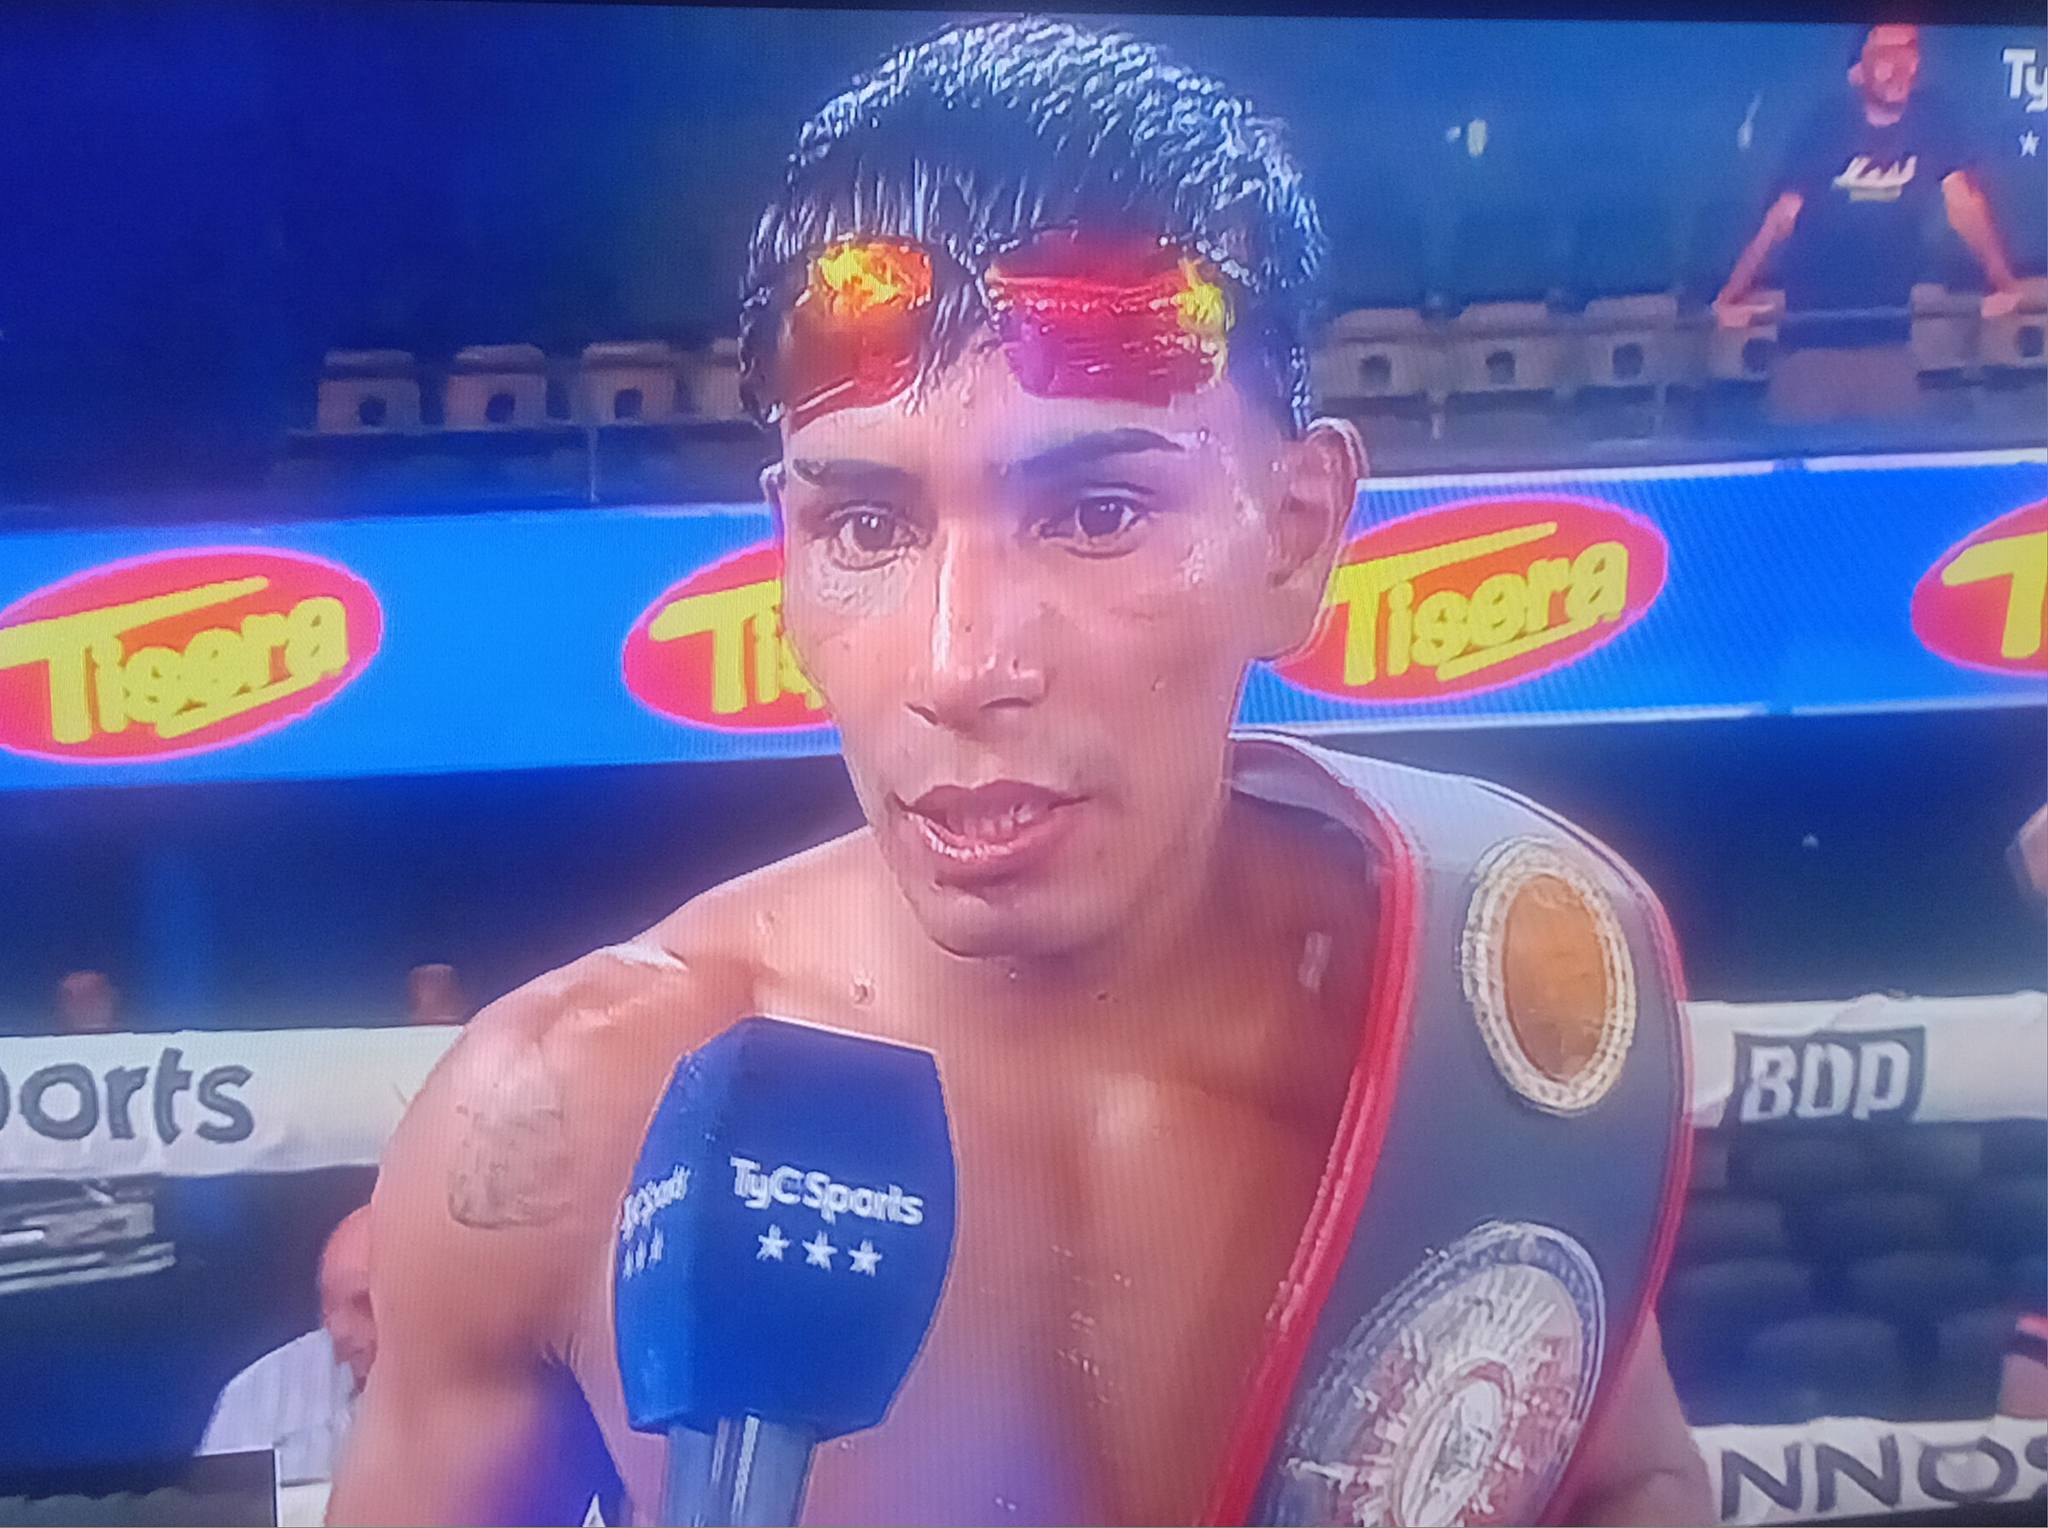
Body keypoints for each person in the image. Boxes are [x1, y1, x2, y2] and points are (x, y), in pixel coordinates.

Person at [330, 19, 1709, 1525]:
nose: (958, 662)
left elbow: (1623, 1477)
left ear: (1296, 535)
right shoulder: (559, 1121)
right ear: (786, 549)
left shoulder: (1501, 1005)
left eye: (1098, 511)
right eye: (868, 526)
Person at [1715, 24, 2024, 425]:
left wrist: (2004, 284)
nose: (1899, 65)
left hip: (1889, 344)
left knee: (1895, 453)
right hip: (1810, 345)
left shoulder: (1934, 121)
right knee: (1801, 456)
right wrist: (1730, 296)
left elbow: (1965, 205)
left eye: (1909, 50)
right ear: (1857, 71)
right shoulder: (1825, 126)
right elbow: (1781, 218)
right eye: (1884, 53)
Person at [200, 1206, 374, 1488]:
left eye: (364, 1303)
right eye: (330, 1307)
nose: (339, 1332)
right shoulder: (256, 1396)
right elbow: (216, 1508)